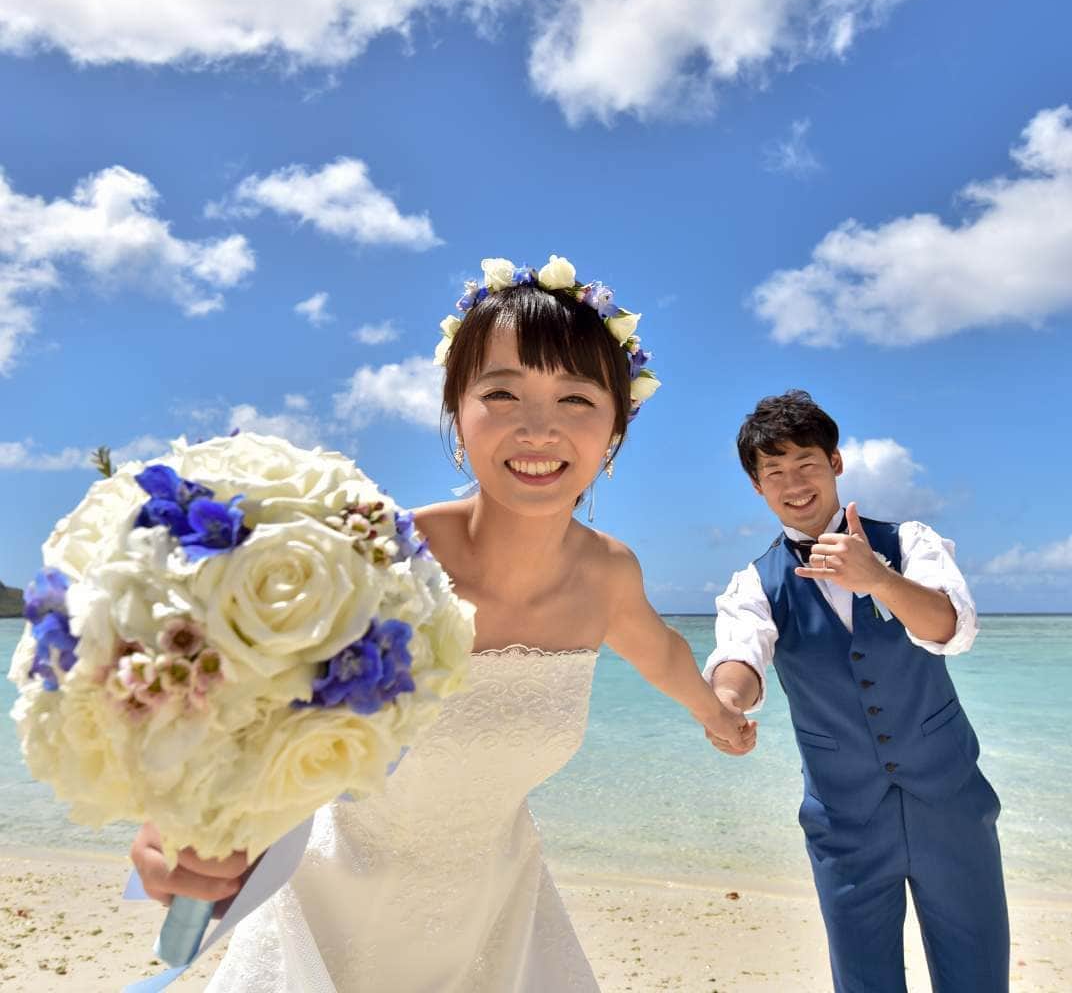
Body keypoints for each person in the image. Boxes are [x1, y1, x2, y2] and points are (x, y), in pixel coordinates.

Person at [130, 256, 755, 992]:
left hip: (497, 912)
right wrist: (177, 825)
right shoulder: (383, 557)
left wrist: (718, 713)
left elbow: (662, 653)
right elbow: (248, 694)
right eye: (501, 392)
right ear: (457, 411)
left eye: (576, 398)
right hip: (333, 912)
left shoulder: (609, 576)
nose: (538, 428)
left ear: (616, 428)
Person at [704, 390, 1008, 993]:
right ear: (757, 486)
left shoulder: (910, 542)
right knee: (864, 982)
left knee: (977, 975)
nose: (794, 484)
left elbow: (952, 629)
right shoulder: (755, 582)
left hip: (950, 802)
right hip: (844, 820)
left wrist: (879, 579)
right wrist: (727, 703)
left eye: (807, 463)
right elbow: (740, 654)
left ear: (836, 463)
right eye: (774, 472)